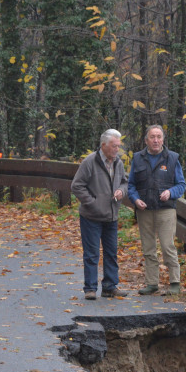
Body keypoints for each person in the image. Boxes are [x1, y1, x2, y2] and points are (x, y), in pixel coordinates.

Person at [71, 129, 129, 300]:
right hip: (92, 216)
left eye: (118, 146)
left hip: (111, 215)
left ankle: (110, 287)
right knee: (92, 253)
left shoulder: (118, 162)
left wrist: (121, 191)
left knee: (111, 252)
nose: (116, 149)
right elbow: (77, 186)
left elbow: (125, 183)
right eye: (113, 146)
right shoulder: (90, 161)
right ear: (103, 145)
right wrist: (92, 203)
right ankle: (90, 288)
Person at [127, 125, 186, 295]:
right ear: (146, 140)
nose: (155, 140)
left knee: (168, 246)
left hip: (165, 210)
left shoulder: (172, 158)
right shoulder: (138, 158)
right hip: (144, 210)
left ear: (163, 139)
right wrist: (135, 199)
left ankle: (175, 282)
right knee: (148, 248)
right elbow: (131, 185)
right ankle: (152, 283)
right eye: (152, 137)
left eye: (159, 136)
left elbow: (181, 185)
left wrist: (170, 192)